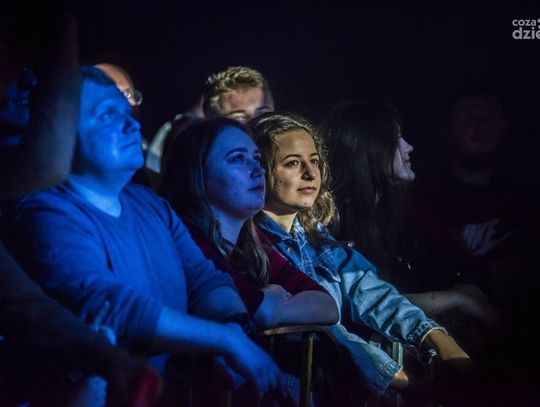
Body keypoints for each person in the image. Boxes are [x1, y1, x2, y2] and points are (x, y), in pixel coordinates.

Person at [4, 66, 286, 404]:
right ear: (61, 131)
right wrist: (226, 340)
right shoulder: (44, 213)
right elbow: (110, 302)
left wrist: (233, 325)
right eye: (108, 115)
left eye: (127, 112)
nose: (132, 125)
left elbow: (205, 279)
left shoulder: (149, 204)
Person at [250, 111, 475, 404]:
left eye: (314, 161)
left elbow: (372, 293)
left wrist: (435, 338)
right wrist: (403, 381)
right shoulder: (251, 246)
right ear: (259, 170)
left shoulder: (316, 238)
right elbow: (323, 330)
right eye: (293, 163)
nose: (310, 173)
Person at [0, 4, 160, 405]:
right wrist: (61, 27)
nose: (30, 81)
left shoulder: (149, 205)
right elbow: (46, 162)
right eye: (17, 61)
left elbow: (23, 304)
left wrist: (110, 361)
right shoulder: (45, 210)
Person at [321, 101, 501, 359]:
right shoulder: (336, 223)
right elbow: (366, 301)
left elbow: (437, 268)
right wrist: (456, 299)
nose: (409, 147)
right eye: (396, 139)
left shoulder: (400, 215)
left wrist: (465, 289)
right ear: (371, 148)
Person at [160, 117, 338, 328]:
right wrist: (273, 302)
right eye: (237, 159)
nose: (259, 171)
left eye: (256, 159)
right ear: (197, 171)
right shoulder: (186, 239)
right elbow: (248, 309)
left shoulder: (250, 244)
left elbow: (328, 306)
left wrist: (275, 309)